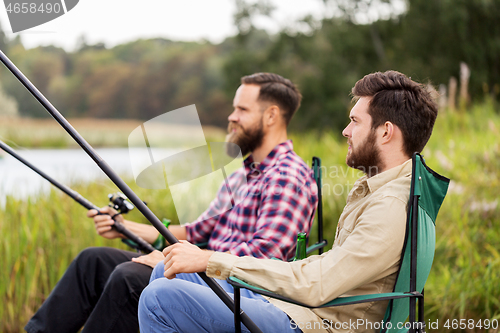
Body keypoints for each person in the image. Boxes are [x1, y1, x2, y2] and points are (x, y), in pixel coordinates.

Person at [137, 70, 439, 333]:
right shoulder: (384, 189)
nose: (346, 131)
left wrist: (213, 260)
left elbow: (319, 283)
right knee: (167, 271)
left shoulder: (388, 206)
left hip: (317, 324)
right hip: (307, 309)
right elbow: (330, 269)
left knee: (158, 298)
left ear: (385, 132)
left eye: (355, 121)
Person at [25, 73, 318, 333]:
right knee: (93, 261)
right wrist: (128, 228)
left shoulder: (287, 176)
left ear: (271, 116)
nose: (232, 117)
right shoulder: (244, 173)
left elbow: (265, 255)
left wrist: (183, 262)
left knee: (128, 278)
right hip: (202, 271)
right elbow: (197, 231)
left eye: (242, 109)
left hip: (232, 289)